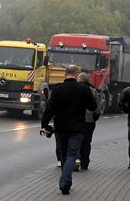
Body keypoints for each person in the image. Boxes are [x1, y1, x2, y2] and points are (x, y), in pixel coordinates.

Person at [41, 64, 97, 194]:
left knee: (64, 154)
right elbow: (93, 106)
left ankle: (66, 181)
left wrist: (44, 125)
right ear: (77, 74)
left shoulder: (58, 89)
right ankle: (65, 181)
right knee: (72, 154)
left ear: (65, 74)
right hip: (78, 128)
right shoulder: (83, 89)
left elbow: (49, 109)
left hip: (61, 128)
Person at [77, 72, 102, 170]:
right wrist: (95, 116)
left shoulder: (75, 89)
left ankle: (76, 159)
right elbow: (97, 106)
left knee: (76, 141)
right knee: (87, 142)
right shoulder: (93, 91)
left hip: (77, 120)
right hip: (89, 120)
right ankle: (85, 163)